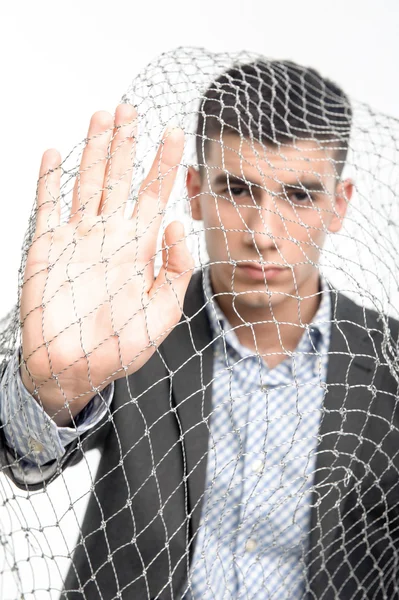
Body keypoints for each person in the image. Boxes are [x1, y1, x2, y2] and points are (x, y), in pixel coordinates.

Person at [1, 58, 399, 600]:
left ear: (339, 204)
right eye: (237, 189)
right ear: (194, 190)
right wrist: (54, 386)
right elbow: (27, 459)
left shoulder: (389, 362)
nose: (264, 234)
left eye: (300, 195)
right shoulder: (134, 321)